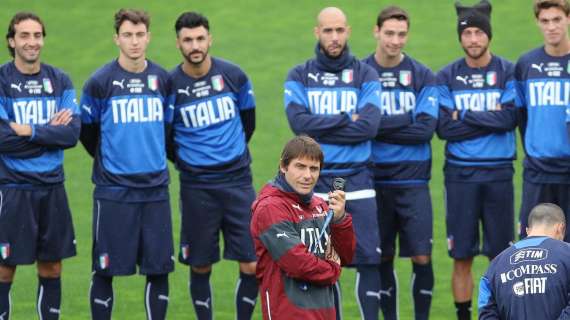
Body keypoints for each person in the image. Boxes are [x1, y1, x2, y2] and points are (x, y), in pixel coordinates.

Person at [283, 7, 382, 319]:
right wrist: (347, 117)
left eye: (339, 30)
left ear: (348, 31)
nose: (334, 37)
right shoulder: (299, 75)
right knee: (323, 261)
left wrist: (321, 124)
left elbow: (368, 127)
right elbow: (299, 124)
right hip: (315, 184)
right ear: (317, 33)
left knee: (368, 260)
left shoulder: (366, 74)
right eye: (328, 31)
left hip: (359, 180)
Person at [79, 9, 173, 320]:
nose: (134, 42)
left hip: (155, 190)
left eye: (140, 35)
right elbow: (88, 132)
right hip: (113, 192)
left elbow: (169, 130)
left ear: (149, 37)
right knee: (105, 270)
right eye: (128, 35)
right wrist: (112, 159)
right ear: (116, 38)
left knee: (158, 269)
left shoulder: (163, 80)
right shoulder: (99, 82)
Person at [167, 12, 258, 320]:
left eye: (200, 38)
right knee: (200, 263)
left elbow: (249, 123)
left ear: (210, 39)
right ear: (178, 43)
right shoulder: (170, 86)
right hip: (197, 186)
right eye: (188, 40)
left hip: (238, 181)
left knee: (253, 262)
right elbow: (166, 138)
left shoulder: (234, 75)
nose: (195, 45)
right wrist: (190, 162)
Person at [435, 1, 518, 319]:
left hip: (498, 174)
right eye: (467, 33)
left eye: (478, 32)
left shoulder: (508, 71)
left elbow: (508, 118)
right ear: (460, 38)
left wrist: (463, 114)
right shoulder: (446, 76)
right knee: (462, 256)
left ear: (489, 35)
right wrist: (488, 115)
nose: (473, 39)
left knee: (502, 256)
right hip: (460, 176)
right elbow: (443, 127)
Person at [0, 11, 79, 320]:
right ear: (11, 41)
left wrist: (29, 129)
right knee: (5, 268)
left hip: (52, 188)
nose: (32, 42)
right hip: (13, 189)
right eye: (24, 36)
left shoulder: (59, 80)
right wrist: (50, 132)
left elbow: (71, 134)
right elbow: (3, 140)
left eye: (36, 35)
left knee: (52, 266)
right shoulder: (2, 80)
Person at [362, 6, 438, 320]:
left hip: (414, 182)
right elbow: (363, 128)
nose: (395, 40)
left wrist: (377, 123)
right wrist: (405, 119)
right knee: (382, 257)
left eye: (401, 34)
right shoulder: (361, 72)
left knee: (422, 256)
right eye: (389, 33)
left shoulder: (423, 75)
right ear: (376, 31)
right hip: (374, 180)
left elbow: (426, 128)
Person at [250, 135, 356, 320]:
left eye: (314, 169)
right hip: (288, 313)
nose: (308, 175)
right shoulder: (270, 208)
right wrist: (333, 270)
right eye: (300, 166)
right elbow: (298, 264)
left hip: (325, 313)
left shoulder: (321, 206)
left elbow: (345, 256)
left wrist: (340, 220)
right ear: (283, 166)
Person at [517, 0, 570, 242]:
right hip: (537, 172)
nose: (551, 27)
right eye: (545, 21)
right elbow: (522, 116)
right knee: (533, 249)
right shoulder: (527, 64)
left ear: (567, 19)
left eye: (557, 19)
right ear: (538, 23)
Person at [478, 203, 570, 319]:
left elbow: (486, 313)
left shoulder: (495, 266)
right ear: (560, 227)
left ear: (527, 230)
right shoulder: (567, 253)